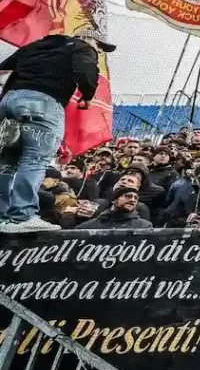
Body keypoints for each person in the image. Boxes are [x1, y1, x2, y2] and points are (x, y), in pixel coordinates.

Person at [0, 32, 112, 232]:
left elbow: (5, 68)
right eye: (100, 48)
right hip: (43, 102)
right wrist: (87, 94)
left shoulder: (35, 45)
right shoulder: (82, 46)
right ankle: (22, 216)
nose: (99, 52)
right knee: (34, 160)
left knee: (7, 161)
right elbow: (84, 68)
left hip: (10, 100)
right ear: (91, 40)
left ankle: (2, 215)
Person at [76, 184, 153, 230]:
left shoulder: (144, 226)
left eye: (136, 198)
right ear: (114, 200)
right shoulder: (92, 225)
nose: (132, 200)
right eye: (128, 196)